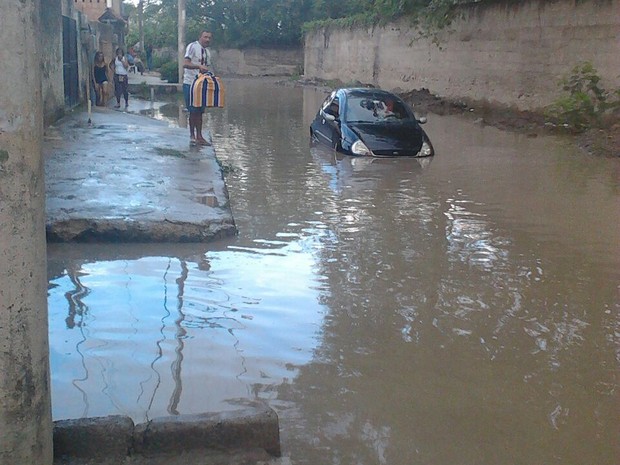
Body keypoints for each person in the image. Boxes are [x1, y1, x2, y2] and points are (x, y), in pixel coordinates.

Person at [183, 30, 212, 145]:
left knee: (200, 111)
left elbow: (207, 68)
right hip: (190, 83)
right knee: (192, 110)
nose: (207, 40)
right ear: (200, 37)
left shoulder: (207, 52)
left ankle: (200, 136)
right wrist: (198, 66)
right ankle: (192, 135)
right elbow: (185, 63)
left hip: (202, 84)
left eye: (209, 38)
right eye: (205, 37)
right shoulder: (192, 47)